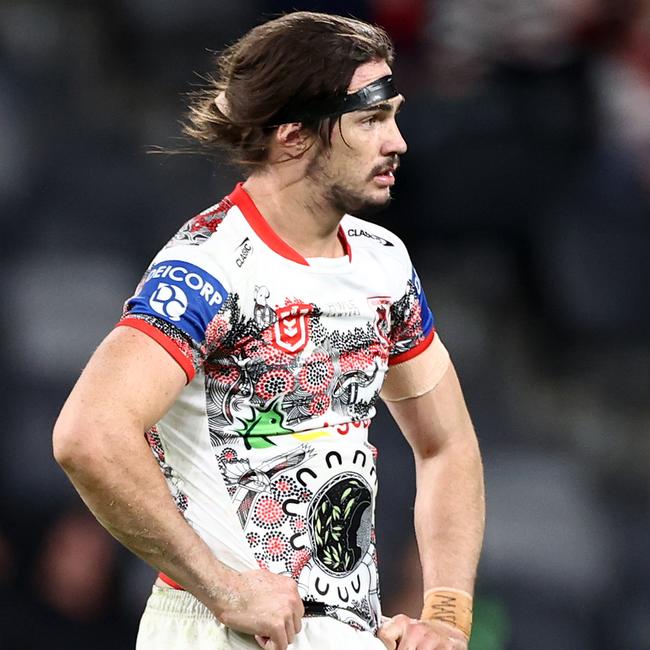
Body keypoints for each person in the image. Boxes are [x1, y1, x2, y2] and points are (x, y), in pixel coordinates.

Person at [53, 11, 485, 650]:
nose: (397, 141)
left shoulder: (382, 262)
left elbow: (447, 446)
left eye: (392, 115)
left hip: (342, 633)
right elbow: (89, 435)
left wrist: (445, 616)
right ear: (292, 136)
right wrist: (223, 588)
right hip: (219, 629)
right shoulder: (208, 266)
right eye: (371, 120)